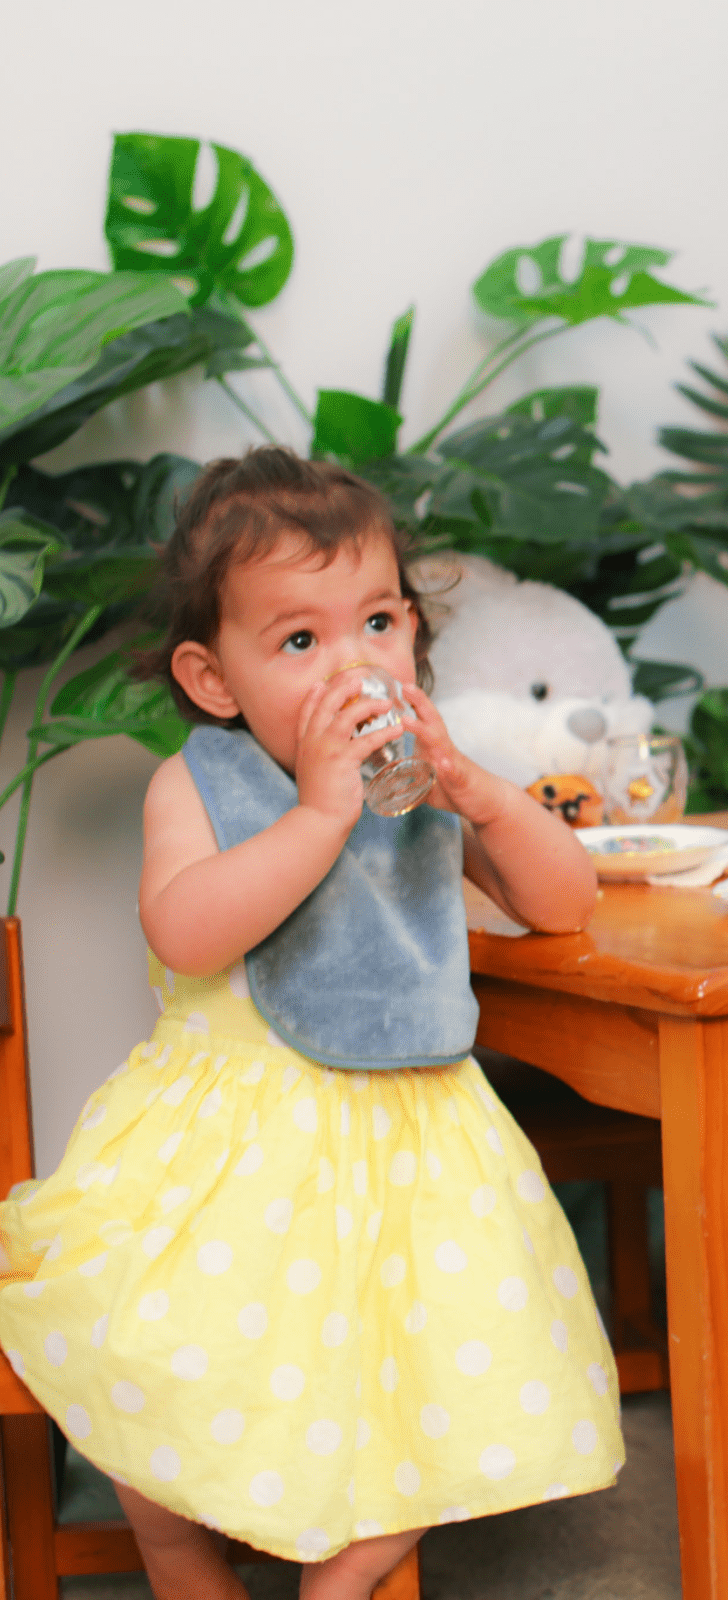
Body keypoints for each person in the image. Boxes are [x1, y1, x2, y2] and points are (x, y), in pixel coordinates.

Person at [0, 449, 624, 1599]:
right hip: (233, 1158)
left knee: (462, 1388)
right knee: (146, 1361)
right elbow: (188, 930)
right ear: (213, 677)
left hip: (417, 1157)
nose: (352, 664)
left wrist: (484, 793)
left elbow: (564, 902)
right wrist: (321, 814)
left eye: (378, 622)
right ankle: (180, 1558)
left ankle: (337, 1584)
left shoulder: (425, 781)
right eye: (299, 639)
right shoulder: (202, 783)